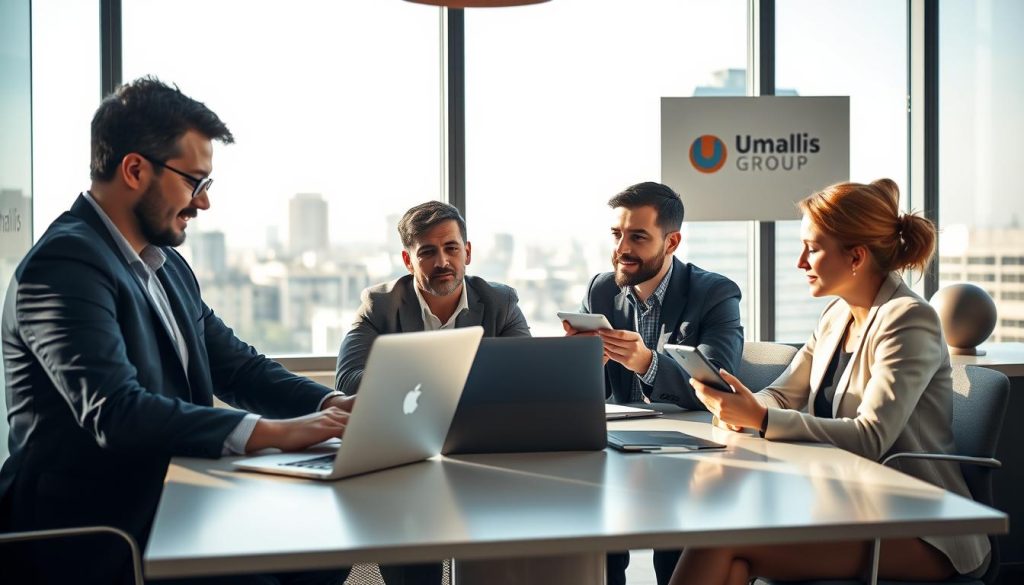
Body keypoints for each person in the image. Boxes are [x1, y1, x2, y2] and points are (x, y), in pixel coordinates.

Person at [0, 77, 354, 585]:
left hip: (176, 505)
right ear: (135, 169)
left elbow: (238, 367)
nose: (203, 203)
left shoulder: (164, 266)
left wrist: (331, 407)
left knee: (322, 552)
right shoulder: (63, 264)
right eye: (195, 182)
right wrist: (273, 433)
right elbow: (117, 411)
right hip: (96, 536)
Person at [670, 179, 990, 585]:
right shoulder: (836, 316)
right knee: (730, 561)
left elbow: (871, 437)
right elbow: (783, 394)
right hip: (850, 507)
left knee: (718, 543)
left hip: (921, 524)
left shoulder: (909, 319)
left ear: (856, 257)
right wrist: (741, 406)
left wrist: (762, 419)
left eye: (813, 248)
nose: (800, 262)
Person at [335, 199, 530, 584]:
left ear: (467, 253)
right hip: (406, 457)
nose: (442, 261)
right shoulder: (381, 304)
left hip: (483, 457)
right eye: (428, 252)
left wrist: (414, 382)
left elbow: (523, 378)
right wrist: (451, 381)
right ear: (409, 261)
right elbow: (348, 381)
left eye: (451, 248)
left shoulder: (500, 301)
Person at [564, 181, 743, 585]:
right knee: (593, 541)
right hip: (617, 452)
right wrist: (578, 359)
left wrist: (645, 362)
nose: (622, 248)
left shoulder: (714, 293)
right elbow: (589, 388)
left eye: (638, 237)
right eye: (617, 234)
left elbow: (721, 381)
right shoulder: (602, 290)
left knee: (676, 561)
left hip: (691, 457)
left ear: (672, 241)